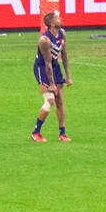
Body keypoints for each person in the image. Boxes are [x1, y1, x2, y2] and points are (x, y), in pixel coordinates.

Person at [32, 10, 72, 142]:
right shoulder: (45, 40)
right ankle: (36, 133)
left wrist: (68, 76)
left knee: (60, 101)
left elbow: (64, 55)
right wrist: (52, 84)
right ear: (51, 23)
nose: (60, 19)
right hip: (42, 67)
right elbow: (47, 62)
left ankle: (62, 134)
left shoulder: (62, 33)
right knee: (50, 101)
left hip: (54, 66)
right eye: (57, 18)